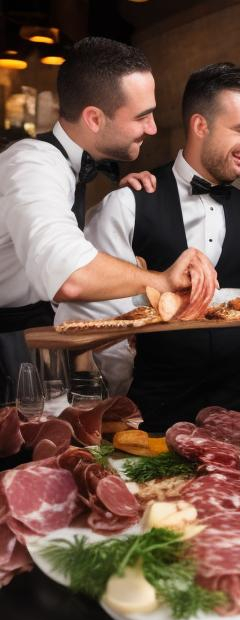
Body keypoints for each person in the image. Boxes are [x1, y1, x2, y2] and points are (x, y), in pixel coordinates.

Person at [0, 37, 215, 404]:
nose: (151, 128)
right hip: (8, 354)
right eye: (141, 116)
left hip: (39, 344)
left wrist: (112, 203)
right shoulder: (31, 165)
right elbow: (68, 275)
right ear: (94, 118)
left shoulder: (72, 169)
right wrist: (160, 281)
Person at [56, 63, 240, 430]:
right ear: (200, 126)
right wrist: (122, 397)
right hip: (153, 417)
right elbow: (96, 320)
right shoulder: (127, 203)